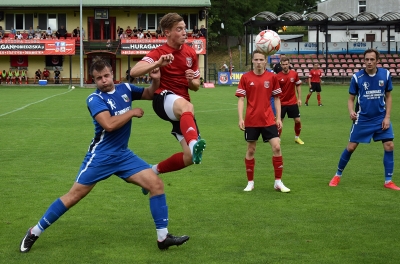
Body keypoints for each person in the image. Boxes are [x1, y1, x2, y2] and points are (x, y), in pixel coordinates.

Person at [19, 57, 189, 253]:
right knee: (74, 196)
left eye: (107, 75)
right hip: (101, 157)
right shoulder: (95, 99)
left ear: (112, 74)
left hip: (123, 156)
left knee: (156, 184)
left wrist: (156, 79)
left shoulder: (125, 88)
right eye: (99, 78)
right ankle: (34, 231)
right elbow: (108, 125)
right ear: (94, 80)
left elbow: (151, 94)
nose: (104, 81)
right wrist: (132, 112)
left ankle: (163, 238)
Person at [130, 13, 206, 186]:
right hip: (162, 98)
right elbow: (134, 72)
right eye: (179, 29)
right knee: (187, 107)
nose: (184, 32)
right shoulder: (159, 53)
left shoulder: (191, 54)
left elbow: (196, 86)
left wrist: (190, 80)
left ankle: (152, 170)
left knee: (190, 158)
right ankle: (194, 143)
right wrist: (157, 64)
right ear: (167, 33)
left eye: (184, 28)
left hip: (181, 106)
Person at [329, 48, 400, 190]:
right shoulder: (357, 77)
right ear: (364, 60)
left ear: (377, 61)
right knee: (351, 147)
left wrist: (387, 117)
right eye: (367, 59)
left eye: (372, 59)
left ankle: (388, 181)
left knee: (389, 145)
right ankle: (337, 175)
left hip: (380, 117)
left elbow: (389, 96)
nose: (369, 62)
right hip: (363, 119)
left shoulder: (385, 75)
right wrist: (351, 111)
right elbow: (351, 99)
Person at [235, 50, 290, 193]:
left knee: (277, 147)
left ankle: (278, 182)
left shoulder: (272, 78)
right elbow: (241, 99)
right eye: (256, 60)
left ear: (266, 61)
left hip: (268, 120)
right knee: (251, 150)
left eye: (261, 60)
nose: (259, 62)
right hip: (252, 121)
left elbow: (277, 99)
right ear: (252, 61)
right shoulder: (245, 78)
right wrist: (240, 118)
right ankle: (250, 182)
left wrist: (278, 118)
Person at [276, 56, 304, 145]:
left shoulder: (294, 74)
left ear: (289, 64)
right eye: (283, 64)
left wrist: (299, 98)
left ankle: (297, 138)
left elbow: (298, 85)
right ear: (281, 65)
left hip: (292, 102)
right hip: (281, 103)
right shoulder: (277, 76)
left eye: (286, 64)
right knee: (280, 122)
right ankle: (278, 139)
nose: (285, 66)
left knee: (298, 120)